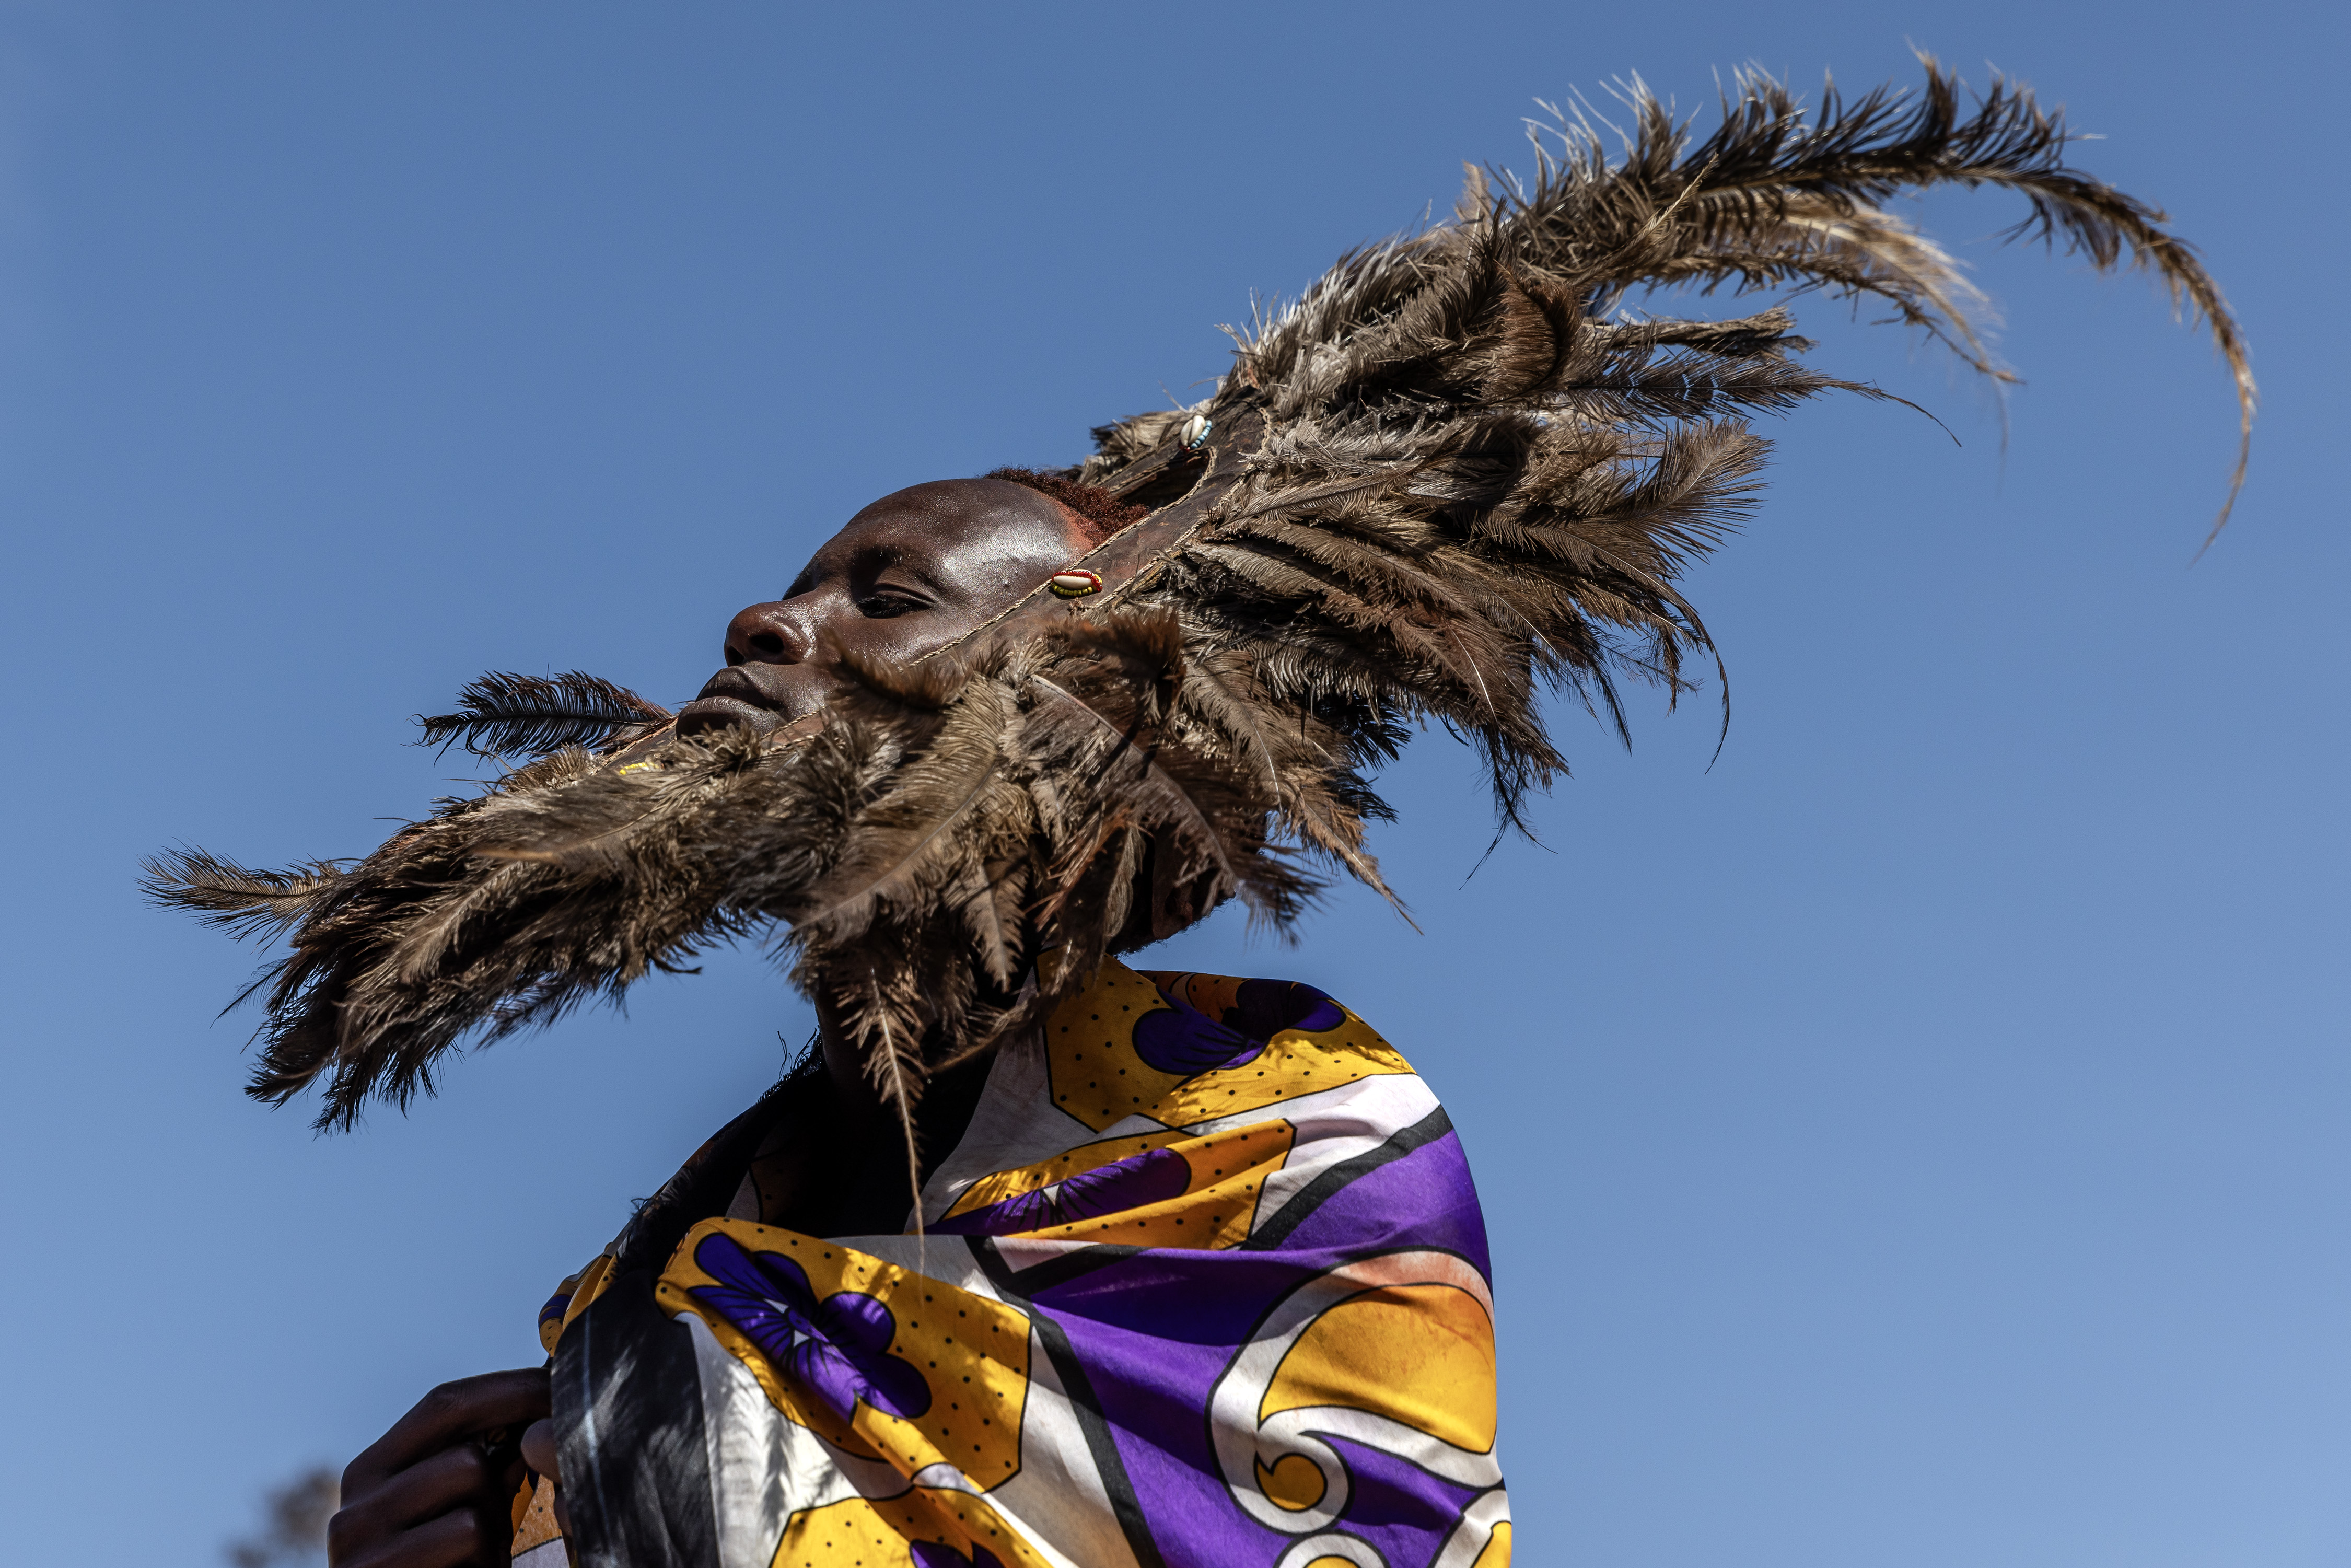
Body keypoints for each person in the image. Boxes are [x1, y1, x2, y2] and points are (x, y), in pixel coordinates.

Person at [153, 63, 2251, 1568]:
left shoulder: (1290, 1136)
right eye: (793, 583)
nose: (764, 620)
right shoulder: (668, 1262)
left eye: (887, 591)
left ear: (1094, 688)